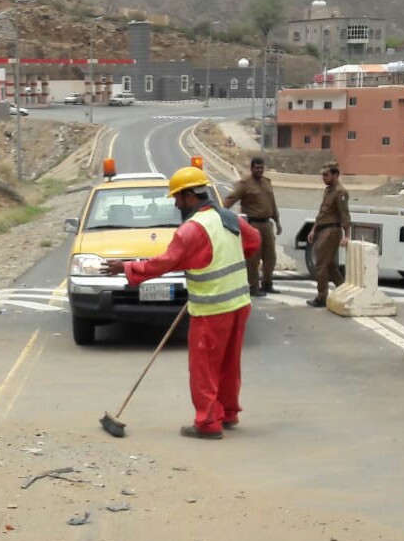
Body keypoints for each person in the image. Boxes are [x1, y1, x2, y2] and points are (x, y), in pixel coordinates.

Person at [103, 166, 261, 439]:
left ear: (190, 195)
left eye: (177, 197)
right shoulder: (229, 218)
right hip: (238, 303)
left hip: (212, 309)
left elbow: (164, 263)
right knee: (228, 363)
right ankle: (228, 413)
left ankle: (208, 423)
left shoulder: (192, 230)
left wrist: (127, 268)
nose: (176, 203)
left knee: (204, 368)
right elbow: (253, 241)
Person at [223, 156, 282, 295]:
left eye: (261, 167)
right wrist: (220, 214)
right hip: (252, 224)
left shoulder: (267, 182)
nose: (259, 170)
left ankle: (267, 283)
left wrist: (277, 221)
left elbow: (272, 203)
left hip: (267, 224)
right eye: (257, 168)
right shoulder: (245, 184)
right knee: (253, 258)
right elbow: (230, 199)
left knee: (270, 257)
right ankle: (253, 286)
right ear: (252, 168)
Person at [306, 162, 350, 307]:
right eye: (322, 175)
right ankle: (344, 291)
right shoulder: (328, 190)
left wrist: (346, 235)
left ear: (336, 174)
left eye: (326, 175)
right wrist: (314, 229)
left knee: (321, 264)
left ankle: (322, 296)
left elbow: (345, 214)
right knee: (330, 265)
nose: (323, 178)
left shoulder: (340, 192)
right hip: (323, 229)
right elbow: (323, 212)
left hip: (331, 231)